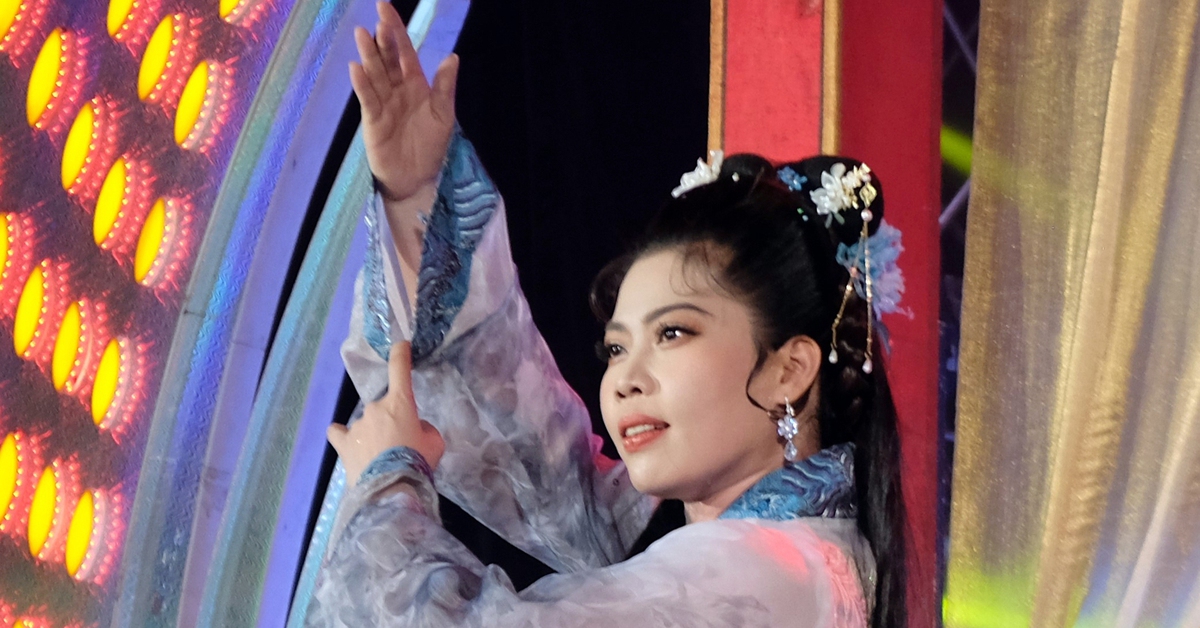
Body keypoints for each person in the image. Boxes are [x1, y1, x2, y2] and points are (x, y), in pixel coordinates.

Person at [304, 3, 908, 627]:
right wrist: (418, 197)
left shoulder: (757, 574)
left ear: (790, 369)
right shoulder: (787, 552)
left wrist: (386, 491)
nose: (624, 380)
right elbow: (544, 475)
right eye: (617, 349)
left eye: (673, 332)